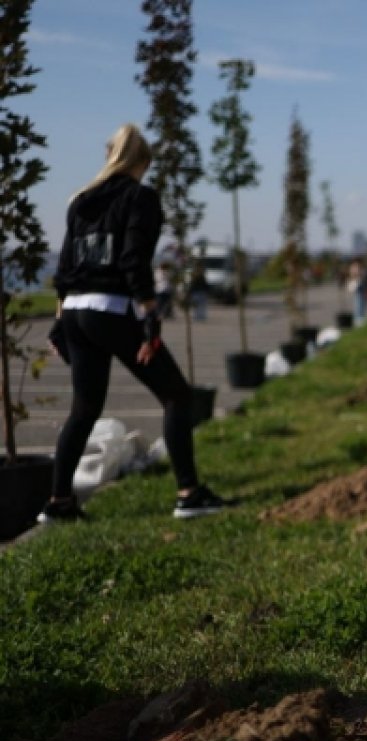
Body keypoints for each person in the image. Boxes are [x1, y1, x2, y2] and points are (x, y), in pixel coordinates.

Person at [40, 123, 227, 524]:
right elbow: (133, 259)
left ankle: (59, 503)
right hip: (111, 307)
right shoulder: (140, 197)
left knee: (84, 409)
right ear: (141, 162)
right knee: (177, 395)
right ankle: (189, 494)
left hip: (74, 311)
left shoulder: (80, 201)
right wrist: (150, 316)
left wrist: (59, 323)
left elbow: (67, 268)